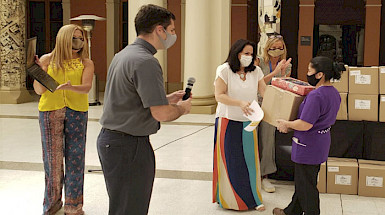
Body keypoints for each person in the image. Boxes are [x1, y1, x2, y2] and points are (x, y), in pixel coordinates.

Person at [97, 4, 191, 215]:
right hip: (128, 146)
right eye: (172, 30)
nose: (173, 35)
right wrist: (182, 108)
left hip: (114, 142)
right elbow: (162, 114)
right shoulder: (146, 61)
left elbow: (128, 98)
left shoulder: (124, 54)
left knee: (122, 206)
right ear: (160, 30)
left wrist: (165, 98)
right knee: (132, 208)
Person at [33, 24, 94, 215]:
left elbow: (86, 87)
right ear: (63, 39)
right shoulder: (47, 60)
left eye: (81, 38)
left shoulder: (86, 62)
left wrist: (69, 87)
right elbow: (39, 90)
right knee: (52, 160)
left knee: (76, 159)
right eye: (74, 37)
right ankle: (52, 204)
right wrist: (41, 69)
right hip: (50, 112)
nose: (79, 42)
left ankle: (74, 205)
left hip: (77, 112)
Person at [273, 56, 345, 215]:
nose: (307, 73)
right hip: (321, 142)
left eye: (309, 70)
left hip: (307, 144)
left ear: (320, 74)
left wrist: (287, 123)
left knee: (307, 186)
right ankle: (292, 211)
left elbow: (305, 124)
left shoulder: (315, 96)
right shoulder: (334, 93)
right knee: (305, 180)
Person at [213, 39, 267, 212]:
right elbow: (219, 96)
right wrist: (239, 103)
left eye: (251, 54)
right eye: (246, 54)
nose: (249, 57)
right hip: (228, 120)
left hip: (250, 121)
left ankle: (254, 198)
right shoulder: (224, 70)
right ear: (237, 54)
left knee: (250, 160)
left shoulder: (256, 71)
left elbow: (264, 91)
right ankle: (230, 200)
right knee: (231, 160)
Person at [255, 34, 292, 193]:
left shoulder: (286, 64)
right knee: (254, 139)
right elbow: (257, 82)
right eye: (273, 48)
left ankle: (265, 175)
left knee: (268, 139)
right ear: (267, 48)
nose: (277, 51)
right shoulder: (259, 61)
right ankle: (252, 173)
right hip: (256, 103)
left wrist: (282, 74)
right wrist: (275, 71)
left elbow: (284, 86)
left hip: (274, 104)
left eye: (280, 48)